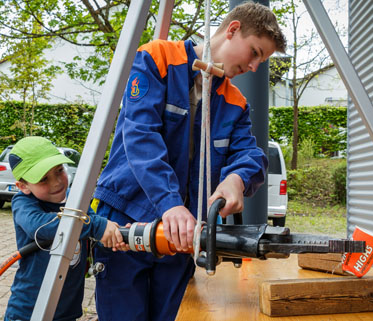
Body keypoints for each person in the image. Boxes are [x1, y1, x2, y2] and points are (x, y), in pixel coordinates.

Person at [93, 2, 286, 320]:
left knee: (176, 314)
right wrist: (170, 204)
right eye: (254, 52)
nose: (254, 67)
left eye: (261, 61)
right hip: (127, 217)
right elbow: (140, 138)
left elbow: (250, 155)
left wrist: (237, 178)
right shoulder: (157, 58)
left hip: (184, 233)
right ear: (233, 29)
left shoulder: (235, 102)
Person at [4, 136, 127, 321]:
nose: (56, 183)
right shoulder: (23, 202)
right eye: (44, 179)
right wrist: (97, 226)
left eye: (59, 170)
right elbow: (39, 226)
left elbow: (94, 223)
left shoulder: (75, 197)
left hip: (66, 310)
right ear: (23, 186)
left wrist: (115, 235)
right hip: (29, 310)